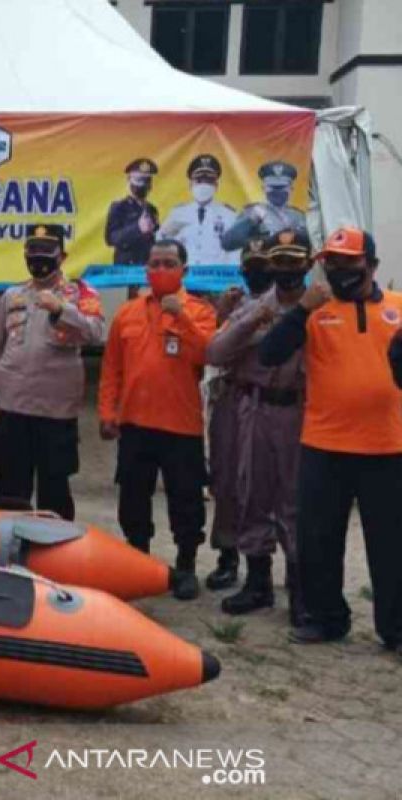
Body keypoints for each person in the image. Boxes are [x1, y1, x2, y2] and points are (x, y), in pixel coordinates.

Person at [260, 227, 402, 650]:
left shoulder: (399, 307)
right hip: (325, 445)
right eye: (331, 262)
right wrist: (301, 311)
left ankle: (395, 628)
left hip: (389, 446)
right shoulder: (315, 312)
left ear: (372, 265)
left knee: (392, 544)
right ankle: (325, 618)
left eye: (348, 261)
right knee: (319, 538)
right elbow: (269, 354)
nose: (338, 270)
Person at [98, 239, 217, 600]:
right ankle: (139, 564)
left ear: (184, 270)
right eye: (154, 264)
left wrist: (179, 316)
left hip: (181, 426)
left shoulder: (200, 311)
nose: (160, 270)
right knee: (133, 498)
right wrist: (106, 412)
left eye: (168, 263)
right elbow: (111, 369)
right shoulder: (128, 313)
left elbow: (208, 353)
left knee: (186, 501)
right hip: (135, 424)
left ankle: (185, 565)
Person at [207, 229, 310, 619]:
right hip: (253, 408)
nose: (285, 269)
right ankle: (257, 582)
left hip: (299, 411)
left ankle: (299, 587)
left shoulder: (320, 307)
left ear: (308, 262)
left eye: (293, 261)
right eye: (278, 261)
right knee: (251, 492)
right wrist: (249, 323)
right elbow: (215, 352)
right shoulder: (253, 306)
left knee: (294, 499)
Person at [0, 224, 105, 520]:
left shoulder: (80, 293)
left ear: (62, 255)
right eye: (32, 252)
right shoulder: (12, 295)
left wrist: (61, 309)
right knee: (8, 488)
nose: (38, 259)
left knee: (54, 490)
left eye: (46, 252)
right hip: (12, 407)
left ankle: (55, 559)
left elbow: (96, 333)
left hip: (55, 412)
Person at [202, 238, 275, 591]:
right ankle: (228, 555)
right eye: (250, 264)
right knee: (226, 480)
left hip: (274, 401)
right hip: (233, 397)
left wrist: (239, 327)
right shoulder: (235, 304)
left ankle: (276, 565)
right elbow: (215, 351)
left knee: (271, 487)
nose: (256, 270)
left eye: (263, 264)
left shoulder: (289, 305)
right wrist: (225, 316)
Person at [160, 155, 239, 266]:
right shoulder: (177, 213)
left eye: (208, 181)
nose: (203, 185)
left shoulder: (229, 215)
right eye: (199, 180)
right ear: (190, 185)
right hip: (184, 278)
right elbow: (161, 243)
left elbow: (234, 253)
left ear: (216, 185)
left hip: (216, 278)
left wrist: (230, 280)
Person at [222, 161, 307, 252]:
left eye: (281, 187)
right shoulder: (252, 212)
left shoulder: (299, 216)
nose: (277, 191)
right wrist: (250, 220)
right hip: (263, 264)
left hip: (295, 264)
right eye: (272, 187)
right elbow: (228, 243)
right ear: (264, 188)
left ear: (291, 189)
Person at [105, 158, 160, 266]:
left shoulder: (152, 209)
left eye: (146, 180)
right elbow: (111, 238)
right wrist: (137, 228)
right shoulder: (119, 207)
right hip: (126, 269)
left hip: (147, 266)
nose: (141, 185)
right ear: (129, 180)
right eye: (138, 180)